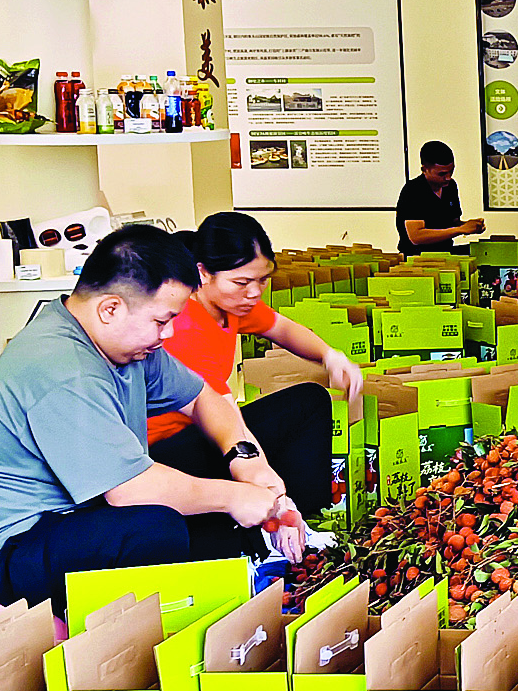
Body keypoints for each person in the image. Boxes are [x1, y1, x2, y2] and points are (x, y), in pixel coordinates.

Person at [0, 224, 304, 614]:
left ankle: (244, 569)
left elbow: (203, 398)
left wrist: (247, 463)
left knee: (217, 474)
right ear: (110, 308)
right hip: (22, 547)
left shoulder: (127, 347)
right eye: (162, 321)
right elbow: (127, 492)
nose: (170, 332)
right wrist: (234, 497)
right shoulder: (63, 367)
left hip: (90, 511)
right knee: (157, 527)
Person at [147, 212, 362, 518]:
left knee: (309, 400)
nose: (254, 292)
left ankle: (310, 516)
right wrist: (271, 489)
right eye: (242, 282)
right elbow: (224, 416)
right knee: (292, 415)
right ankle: (294, 518)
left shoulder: (231, 304)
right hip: (167, 453)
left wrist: (331, 356)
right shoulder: (186, 326)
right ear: (203, 273)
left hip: (205, 430)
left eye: (262, 280)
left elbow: (283, 329)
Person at [396, 140, 486, 254]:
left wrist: (469, 226)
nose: (448, 177)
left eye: (451, 171)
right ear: (424, 170)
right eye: (442, 174)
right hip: (417, 256)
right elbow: (416, 237)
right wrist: (460, 229)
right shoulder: (413, 190)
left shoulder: (450, 187)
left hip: (445, 252)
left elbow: (451, 224)